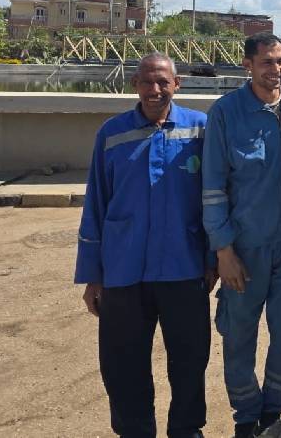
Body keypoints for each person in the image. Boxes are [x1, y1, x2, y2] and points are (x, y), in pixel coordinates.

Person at [75, 52, 214, 438]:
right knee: (122, 364)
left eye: (163, 81)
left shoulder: (200, 130)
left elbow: (215, 197)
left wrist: (212, 258)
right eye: (147, 82)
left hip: (184, 267)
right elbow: (96, 203)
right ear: (135, 84)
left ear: (177, 84)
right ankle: (135, 431)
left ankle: (186, 430)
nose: (155, 89)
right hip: (123, 270)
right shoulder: (112, 134)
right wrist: (92, 275)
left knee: (190, 360)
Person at [201, 32, 281, 438]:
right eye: (267, 62)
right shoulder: (226, 113)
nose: (276, 69)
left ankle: (273, 411)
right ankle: (246, 415)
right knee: (238, 334)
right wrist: (223, 251)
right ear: (247, 65)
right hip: (245, 248)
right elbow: (213, 187)